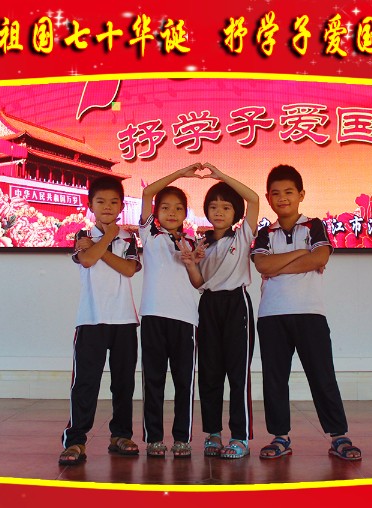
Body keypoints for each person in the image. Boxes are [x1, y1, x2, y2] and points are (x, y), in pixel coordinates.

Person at [250, 164, 361, 461]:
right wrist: (302, 253)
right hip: (271, 315)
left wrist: (283, 263)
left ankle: (339, 436)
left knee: (322, 375)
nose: (282, 198)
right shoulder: (265, 233)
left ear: (301, 194)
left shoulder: (314, 226)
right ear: (268, 198)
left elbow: (320, 258)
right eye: (275, 193)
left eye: (289, 192)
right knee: (275, 379)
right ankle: (280, 437)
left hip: (310, 313)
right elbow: (262, 265)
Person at [178, 162, 259, 460]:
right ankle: (213, 433)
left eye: (226, 207)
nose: (219, 212)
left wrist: (221, 176)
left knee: (237, 374)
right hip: (209, 305)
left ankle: (240, 437)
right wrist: (191, 263)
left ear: (236, 213)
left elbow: (254, 200)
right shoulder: (203, 244)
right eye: (213, 207)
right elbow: (199, 282)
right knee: (210, 373)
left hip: (237, 305)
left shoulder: (242, 235)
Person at [58, 176, 141, 465]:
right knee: (86, 382)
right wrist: (106, 238)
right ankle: (75, 440)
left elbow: (128, 269)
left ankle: (121, 435)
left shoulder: (129, 238)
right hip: (91, 319)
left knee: (123, 383)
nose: (107, 206)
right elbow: (87, 260)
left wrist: (100, 245)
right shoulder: (82, 234)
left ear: (121, 206)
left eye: (114, 202)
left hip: (124, 320)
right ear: (90, 205)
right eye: (101, 201)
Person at [138, 163, 203, 458]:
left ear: (186, 213)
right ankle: (154, 438)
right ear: (156, 212)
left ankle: (182, 438)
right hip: (153, 316)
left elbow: (199, 282)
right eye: (165, 207)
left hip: (186, 320)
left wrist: (193, 261)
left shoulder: (193, 243)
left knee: (183, 382)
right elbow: (147, 192)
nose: (172, 213)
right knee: (153, 380)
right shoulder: (149, 235)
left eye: (178, 208)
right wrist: (179, 173)